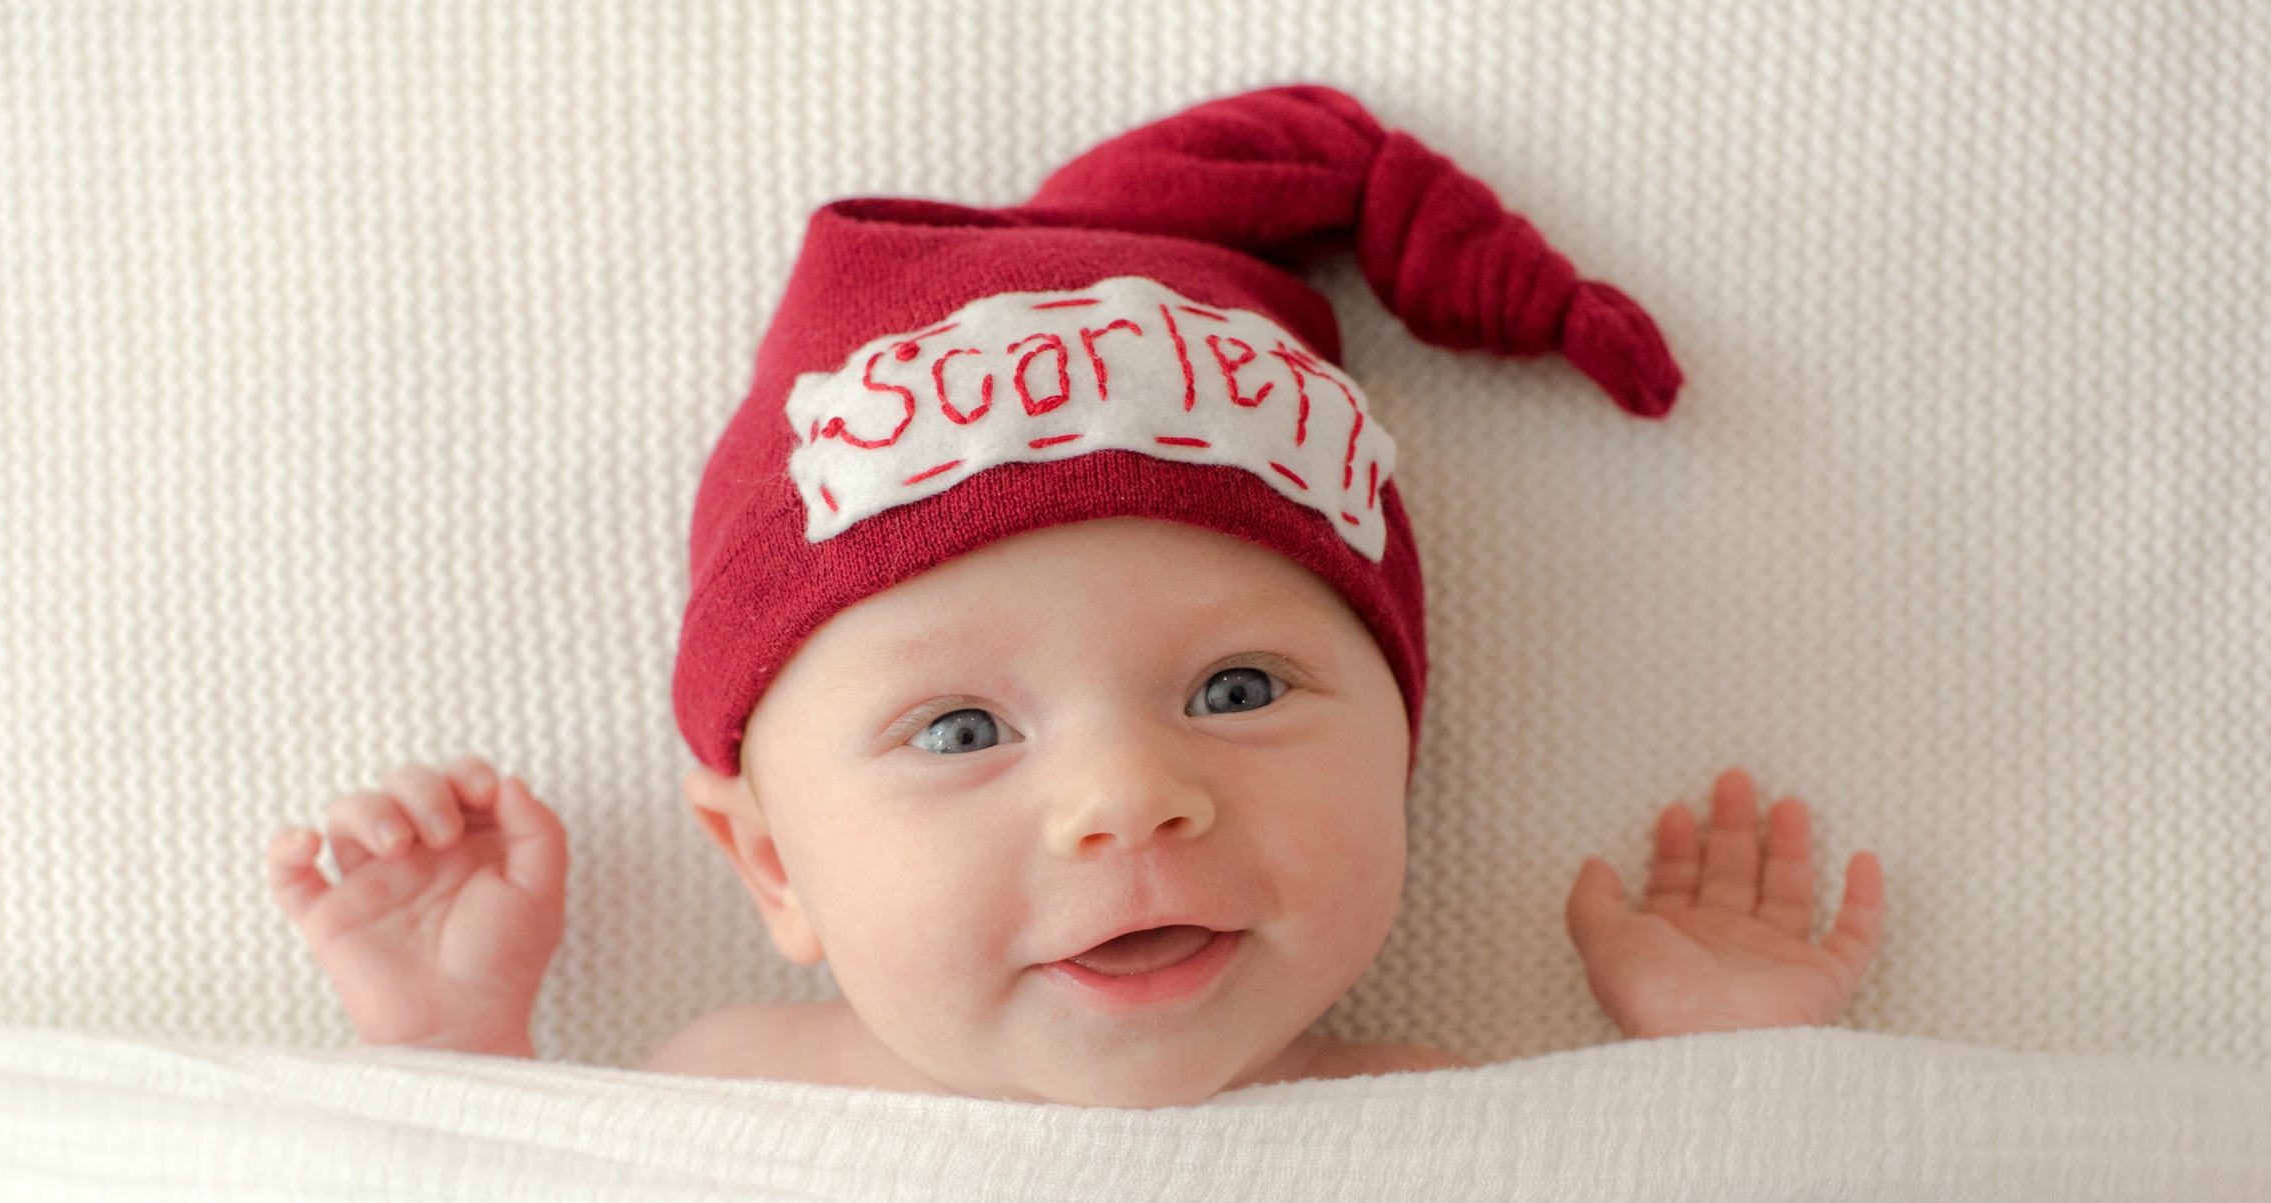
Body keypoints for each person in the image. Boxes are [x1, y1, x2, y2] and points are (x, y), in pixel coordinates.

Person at [266, 86, 1882, 1108]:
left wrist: (1729, 1087)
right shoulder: (733, 1096)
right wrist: (454, 1054)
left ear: (1397, 758)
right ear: (769, 862)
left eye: (1238, 692)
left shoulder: (1428, 1127)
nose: (1127, 798)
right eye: (961, 728)